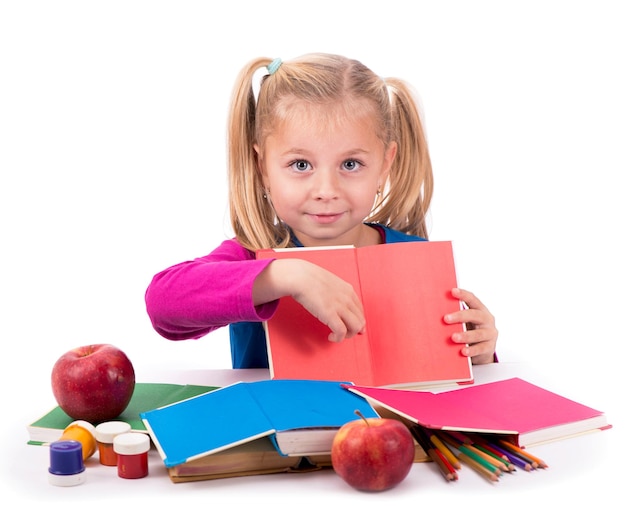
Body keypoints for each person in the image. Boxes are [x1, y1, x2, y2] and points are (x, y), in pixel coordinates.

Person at [145, 53, 498, 369]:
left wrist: (480, 354)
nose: (326, 191)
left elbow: (444, 379)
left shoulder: (414, 257)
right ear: (262, 166)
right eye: (300, 164)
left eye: (350, 163)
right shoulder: (250, 257)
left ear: (385, 164)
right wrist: (286, 276)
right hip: (281, 437)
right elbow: (163, 304)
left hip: (391, 435)